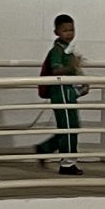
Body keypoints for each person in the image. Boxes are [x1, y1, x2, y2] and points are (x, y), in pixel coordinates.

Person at [38, 14, 85, 175]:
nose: (69, 33)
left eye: (71, 29)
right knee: (68, 128)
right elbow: (56, 70)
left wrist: (81, 83)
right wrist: (72, 67)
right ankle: (67, 164)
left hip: (68, 92)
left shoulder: (67, 50)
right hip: (61, 92)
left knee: (72, 127)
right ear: (56, 32)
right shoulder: (57, 51)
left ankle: (46, 148)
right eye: (65, 30)